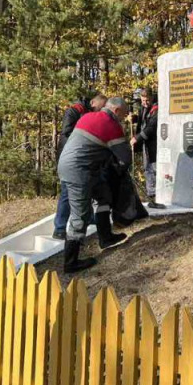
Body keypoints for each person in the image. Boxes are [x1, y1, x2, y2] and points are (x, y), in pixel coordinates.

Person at [57, 97, 131, 273]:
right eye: (125, 113)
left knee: (103, 195)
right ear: (116, 111)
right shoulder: (111, 125)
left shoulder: (88, 116)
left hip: (72, 166)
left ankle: (106, 238)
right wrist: (120, 170)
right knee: (80, 215)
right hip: (79, 171)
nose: (125, 116)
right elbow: (125, 157)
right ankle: (70, 262)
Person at [52, 93, 108, 240]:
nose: (101, 111)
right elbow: (66, 131)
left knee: (88, 188)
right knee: (66, 193)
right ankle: (59, 227)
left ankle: (88, 217)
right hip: (69, 157)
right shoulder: (73, 111)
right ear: (93, 103)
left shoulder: (89, 113)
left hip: (84, 158)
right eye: (101, 107)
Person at [131, 88, 163, 209]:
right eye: (143, 100)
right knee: (147, 169)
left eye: (147, 100)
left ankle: (158, 196)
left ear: (151, 97)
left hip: (154, 143)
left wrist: (137, 138)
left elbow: (151, 127)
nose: (145, 103)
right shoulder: (144, 107)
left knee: (155, 168)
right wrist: (134, 118)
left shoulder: (157, 108)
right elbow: (143, 121)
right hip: (146, 144)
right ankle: (151, 196)